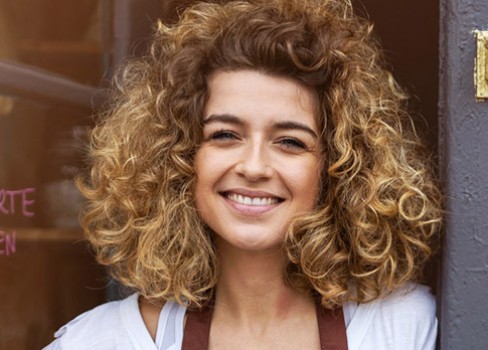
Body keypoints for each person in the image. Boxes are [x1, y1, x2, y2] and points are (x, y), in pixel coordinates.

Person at [45, 0, 442, 348]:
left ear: (336, 166)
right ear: (181, 157)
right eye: (225, 135)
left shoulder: (405, 329)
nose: (253, 167)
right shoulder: (106, 341)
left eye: (289, 141)